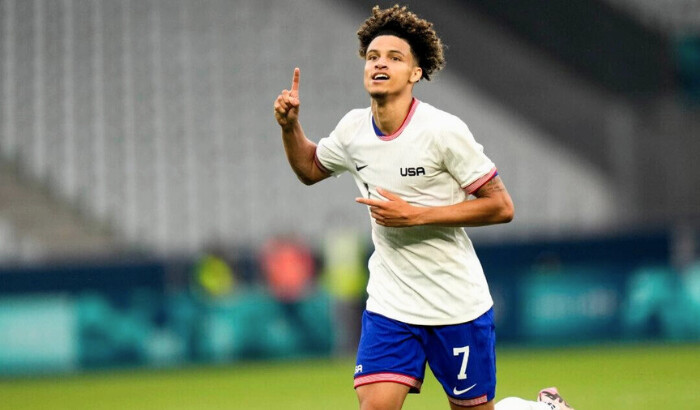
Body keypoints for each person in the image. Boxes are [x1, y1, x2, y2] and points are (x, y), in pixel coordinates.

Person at [273, 5, 575, 410]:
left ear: (416, 73)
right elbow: (309, 168)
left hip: (455, 302)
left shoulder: (442, 131)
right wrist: (291, 127)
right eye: (374, 56)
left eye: (395, 58)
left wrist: (416, 215)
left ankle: (542, 407)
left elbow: (501, 207)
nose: (380, 63)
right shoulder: (352, 130)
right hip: (392, 302)